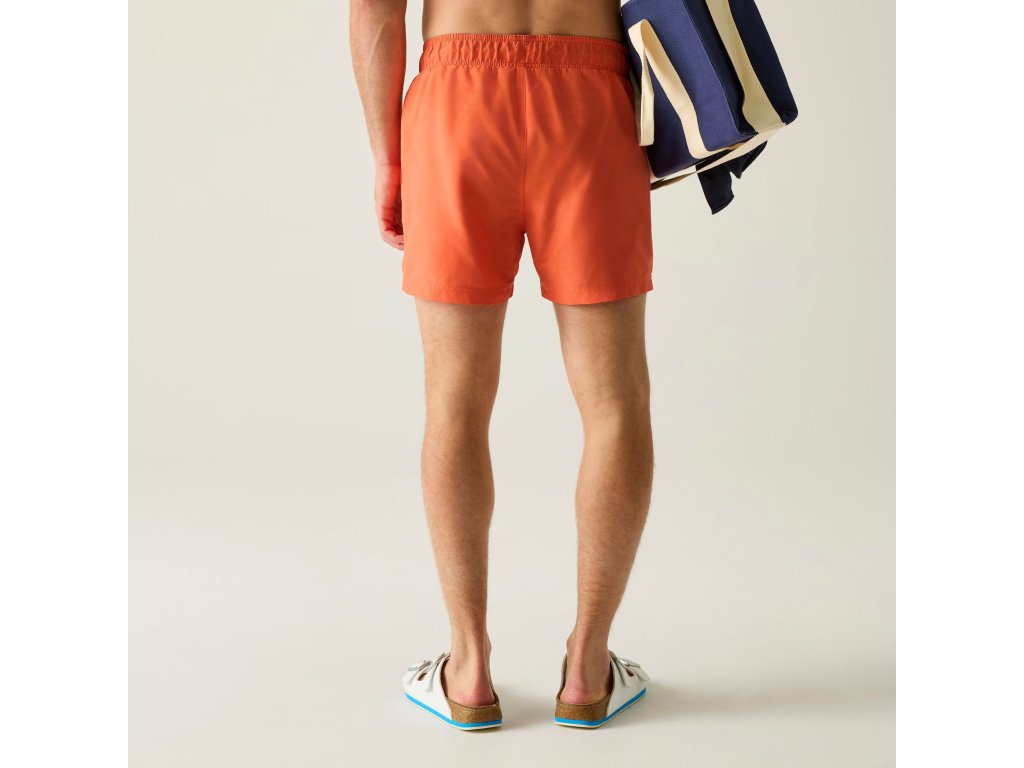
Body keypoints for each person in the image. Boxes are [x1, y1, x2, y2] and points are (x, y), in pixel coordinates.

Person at [350, 0, 655, 729]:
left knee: (454, 400)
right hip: (589, 97)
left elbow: (373, 10)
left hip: (457, 101)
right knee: (614, 404)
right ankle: (588, 668)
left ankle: (468, 669)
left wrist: (389, 157)